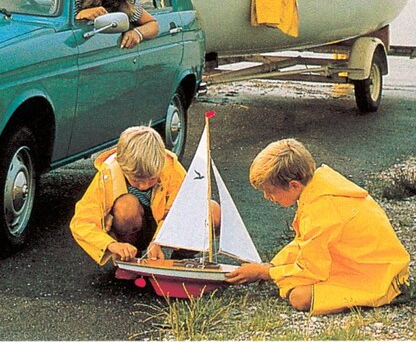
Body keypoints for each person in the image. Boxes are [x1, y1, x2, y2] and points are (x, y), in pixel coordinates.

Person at [225, 139, 410, 315]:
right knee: (293, 283)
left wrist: (265, 272)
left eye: (270, 191)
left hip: (378, 276)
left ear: (293, 185)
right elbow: (304, 242)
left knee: (300, 297)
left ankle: (384, 296)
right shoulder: (318, 185)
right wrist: (273, 265)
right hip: (375, 264)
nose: (267, 196)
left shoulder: (321, 209)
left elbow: (311, 270)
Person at [70, 125, 221, 265]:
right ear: (122, 167)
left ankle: (182, 256)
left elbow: (178, 211)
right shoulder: (108, 175)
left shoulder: (172, 168)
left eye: (152, 179)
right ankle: (130, 256)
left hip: (166, 227)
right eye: (137, 180)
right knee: (125, 206)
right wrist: (112, 245)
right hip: (134, 229)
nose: (144, 186)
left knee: (213, 211)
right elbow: (82, 222)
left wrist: (157, 241)